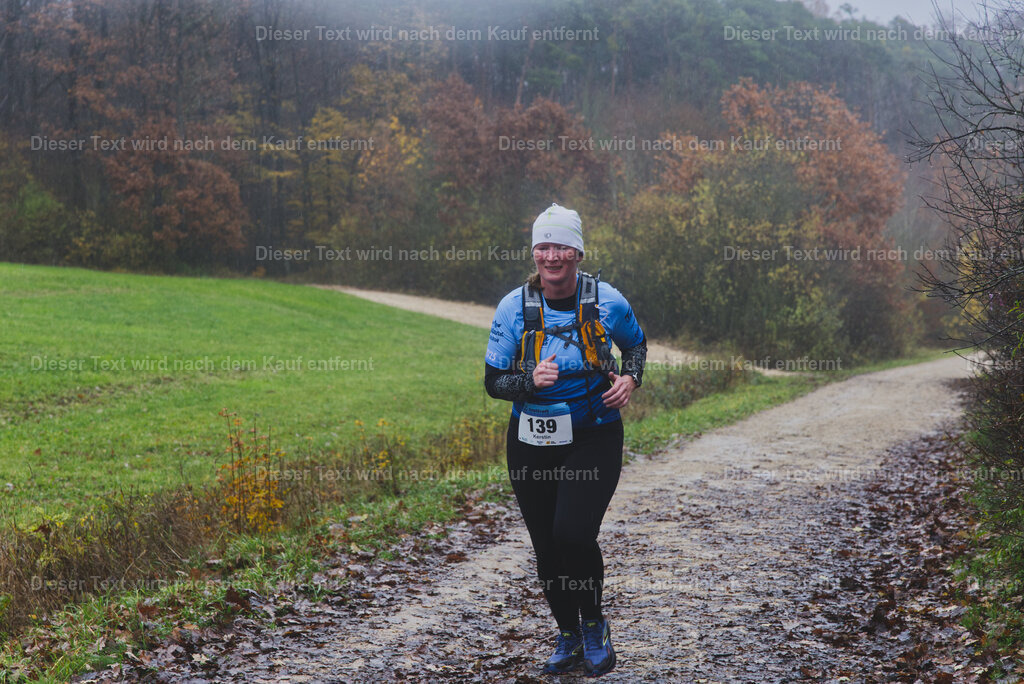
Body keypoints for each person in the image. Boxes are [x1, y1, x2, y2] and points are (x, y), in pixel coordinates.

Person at [484, 203, 647, 677]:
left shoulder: (606, 301)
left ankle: (594, 623)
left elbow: (635, 346)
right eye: (542, 246)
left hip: (593, 435)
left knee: (572, 533)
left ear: (577, 252)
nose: (550, 256)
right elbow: (494, 382)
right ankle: (568, 635)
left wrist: (631, 381)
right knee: (547, 546)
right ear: (533, 252)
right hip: (530, 440)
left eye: (560, 246)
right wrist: (529, 381)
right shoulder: (513, 308)